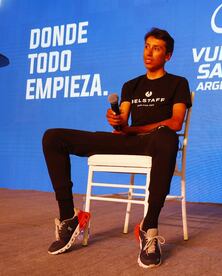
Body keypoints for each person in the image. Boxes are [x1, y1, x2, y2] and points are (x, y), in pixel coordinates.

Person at [42, 27, 192, 268]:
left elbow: (175, 123)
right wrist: (117, 120)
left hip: (156, 143)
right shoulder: (131, 85)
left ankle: (149, 227)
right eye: (146, 47)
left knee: (166, 136)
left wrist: (132, 129)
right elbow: (123, 121)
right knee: (53, 137)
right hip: (128, 141)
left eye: (156, 48)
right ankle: (69, 218)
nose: (149, 53)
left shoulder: (178, 83)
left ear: (168, 56)